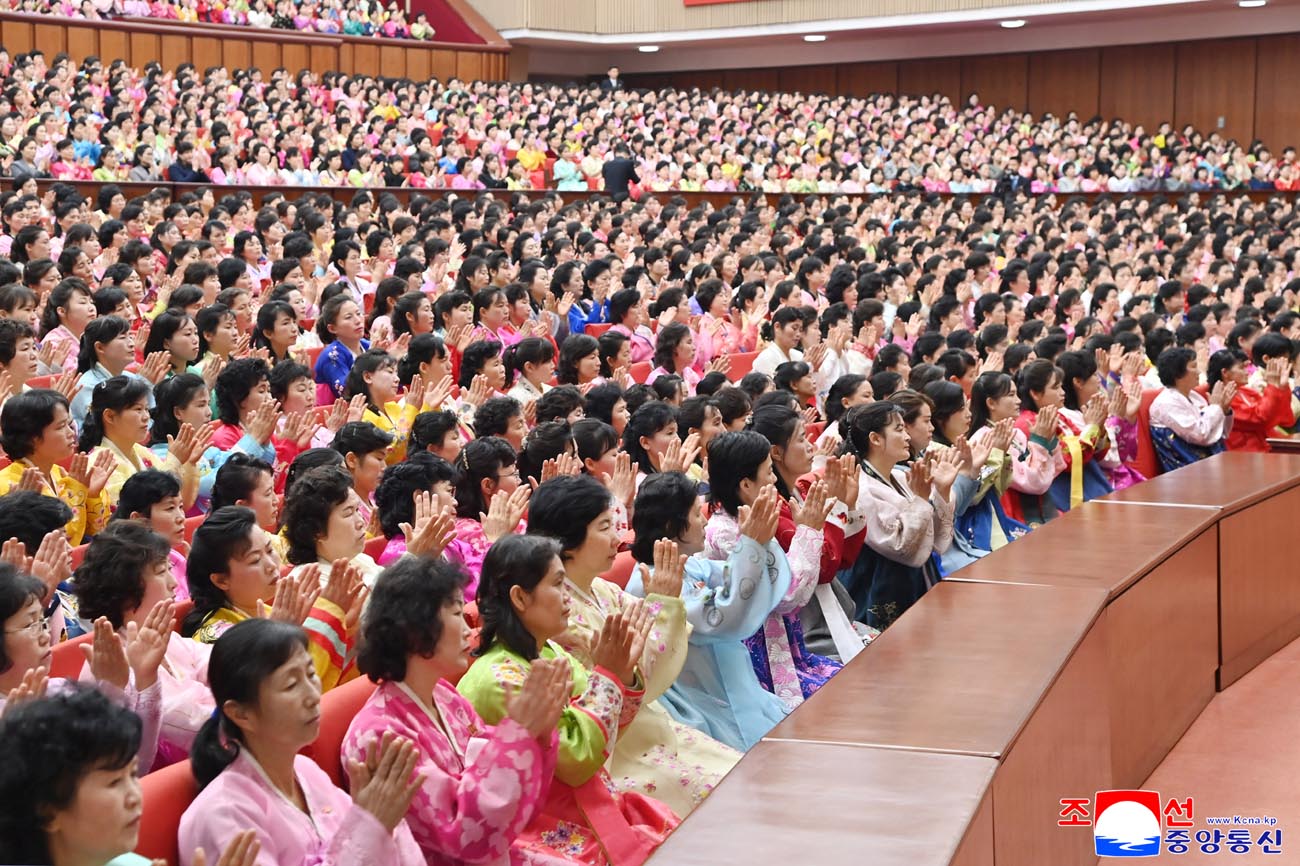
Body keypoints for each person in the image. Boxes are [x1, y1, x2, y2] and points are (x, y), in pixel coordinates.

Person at [456, 534, 680, 866]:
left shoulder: (546, 650)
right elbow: (575, 760)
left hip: (585, 801)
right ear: (520, 597)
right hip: (539, 823)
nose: (567, 599)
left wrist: (622, 672)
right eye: (558, 585)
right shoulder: (498, 678)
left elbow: (608, 728)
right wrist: (609, 674)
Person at [527, 475, 739, 815]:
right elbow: (641, 678)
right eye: (604, 527)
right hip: (615, 748)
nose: (617, 538)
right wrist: (664, 605)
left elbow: (648, 660)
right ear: (567, 540)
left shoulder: (604, 590)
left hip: (650, 726)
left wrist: (663, 604)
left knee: (739, 772)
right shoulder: (558, 612)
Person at [343, 555, 568, 865]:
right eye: (457, 614)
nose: (468, 630)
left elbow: (499, 787)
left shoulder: (444, 695)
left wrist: (539, 734)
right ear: (415, 630)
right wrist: (519, 733)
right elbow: (462, 833)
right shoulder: (379, 735)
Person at [180, 618, 426, 866]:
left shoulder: (306, 770)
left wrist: (383, 820)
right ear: (241, 714)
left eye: (311, 674)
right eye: (291, 685)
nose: (312, 695)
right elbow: (364, 837)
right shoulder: (225, 814)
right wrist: (371, 825)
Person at [625, 471, 791, 751]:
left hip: (726, 689)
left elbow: (732, 578)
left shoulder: (687, 564)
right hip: (699, 701)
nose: (704, 521)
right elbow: (722, 617)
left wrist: (758, 543)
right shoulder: (651, 582)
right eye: (695, 514)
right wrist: (750, 546)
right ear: (671, 525)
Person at [702, 430, 840, 706]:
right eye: (768, 473)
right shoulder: (726, 532)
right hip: (755, 658)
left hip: (785, 646)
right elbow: (787, 596)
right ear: (746, 485)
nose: (775, 479)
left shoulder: (752, 517)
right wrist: (809, 531)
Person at [181, 505, 361, 691]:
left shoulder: (269, 611)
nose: (271, 565)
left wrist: (344, 624)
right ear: (221, 580)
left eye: (269, 550)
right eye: (255, 560)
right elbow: (279, 696)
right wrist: (324, 620)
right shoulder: (214, 639)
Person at [838, 402, 959, 629]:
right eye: (898, 429)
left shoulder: (901, 477)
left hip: (915, 581)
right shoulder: (861, 489)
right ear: (875, 439)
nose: (906, 436)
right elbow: (899, 546)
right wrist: (922, 501)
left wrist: (941, 490)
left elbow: (933, 539)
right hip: (879, 588)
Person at [0, 389, 113, 544]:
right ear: (32, 438)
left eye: (69, 424)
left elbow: (95, 534)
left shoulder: (58, 473)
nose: (71, 432)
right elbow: (63, 541)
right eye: (60, 427)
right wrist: (75, 491)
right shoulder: (6, 485)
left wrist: (92, 496)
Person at [1149, 347, 1236, 471]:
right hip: (1186, 470)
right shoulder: (1166, 402)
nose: (1199, 372)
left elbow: (1221, 434)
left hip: (1208, 462)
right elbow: (1200, 434)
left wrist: (1224, 410)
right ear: (1177, 373)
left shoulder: (1194, 396)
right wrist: (1216, 408)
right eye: (1193, 366)